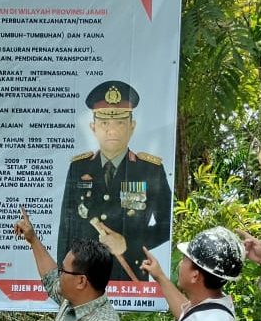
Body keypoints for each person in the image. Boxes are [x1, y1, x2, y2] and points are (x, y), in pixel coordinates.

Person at [56, 80, 173, 282]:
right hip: (86, 276)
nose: (112, 130)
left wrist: (129, 243)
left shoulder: (150, 169)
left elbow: (166, 226)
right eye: (104, 123)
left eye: (120, 123)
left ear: (132, 126)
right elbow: (66, 227)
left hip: (128, 275)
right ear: (93, 127)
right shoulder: (79, 168)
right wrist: (63, 275)